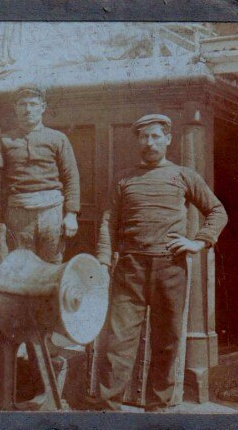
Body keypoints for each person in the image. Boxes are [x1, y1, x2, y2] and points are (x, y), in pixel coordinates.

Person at [93, 114, 227, 411]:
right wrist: (104, 262)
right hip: (130, 269)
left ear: (168, 139)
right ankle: (107, 409)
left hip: (170, 268)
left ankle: (159, 408)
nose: (149, 142)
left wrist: (198, 241)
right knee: (118, 341)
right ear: (137, 141)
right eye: (144, 137)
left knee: (166, 342)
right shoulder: (124, 178)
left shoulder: (183, 175)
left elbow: (217, 211)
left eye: (155, 136)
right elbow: (108, 221)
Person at [0, 85, 80, 264]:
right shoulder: (4, 140)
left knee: (52, 268)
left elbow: (71, 177)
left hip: (51, 213)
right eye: (23, 104)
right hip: (19, 214)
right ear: (16, 108)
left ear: (43, 107)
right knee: (21, 268)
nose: (28, 109)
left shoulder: (57, 139)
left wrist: (72, 214)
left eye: (33, 104)